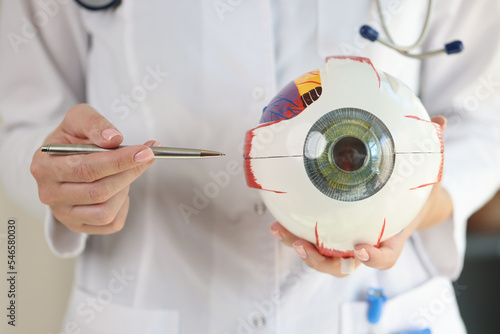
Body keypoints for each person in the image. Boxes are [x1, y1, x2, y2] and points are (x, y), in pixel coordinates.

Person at [1, 1, 499, 333]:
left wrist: (419, 201)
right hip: (151, 294)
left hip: (375, 304)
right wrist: (67, 177)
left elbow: (485, 114)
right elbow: (20, 116)